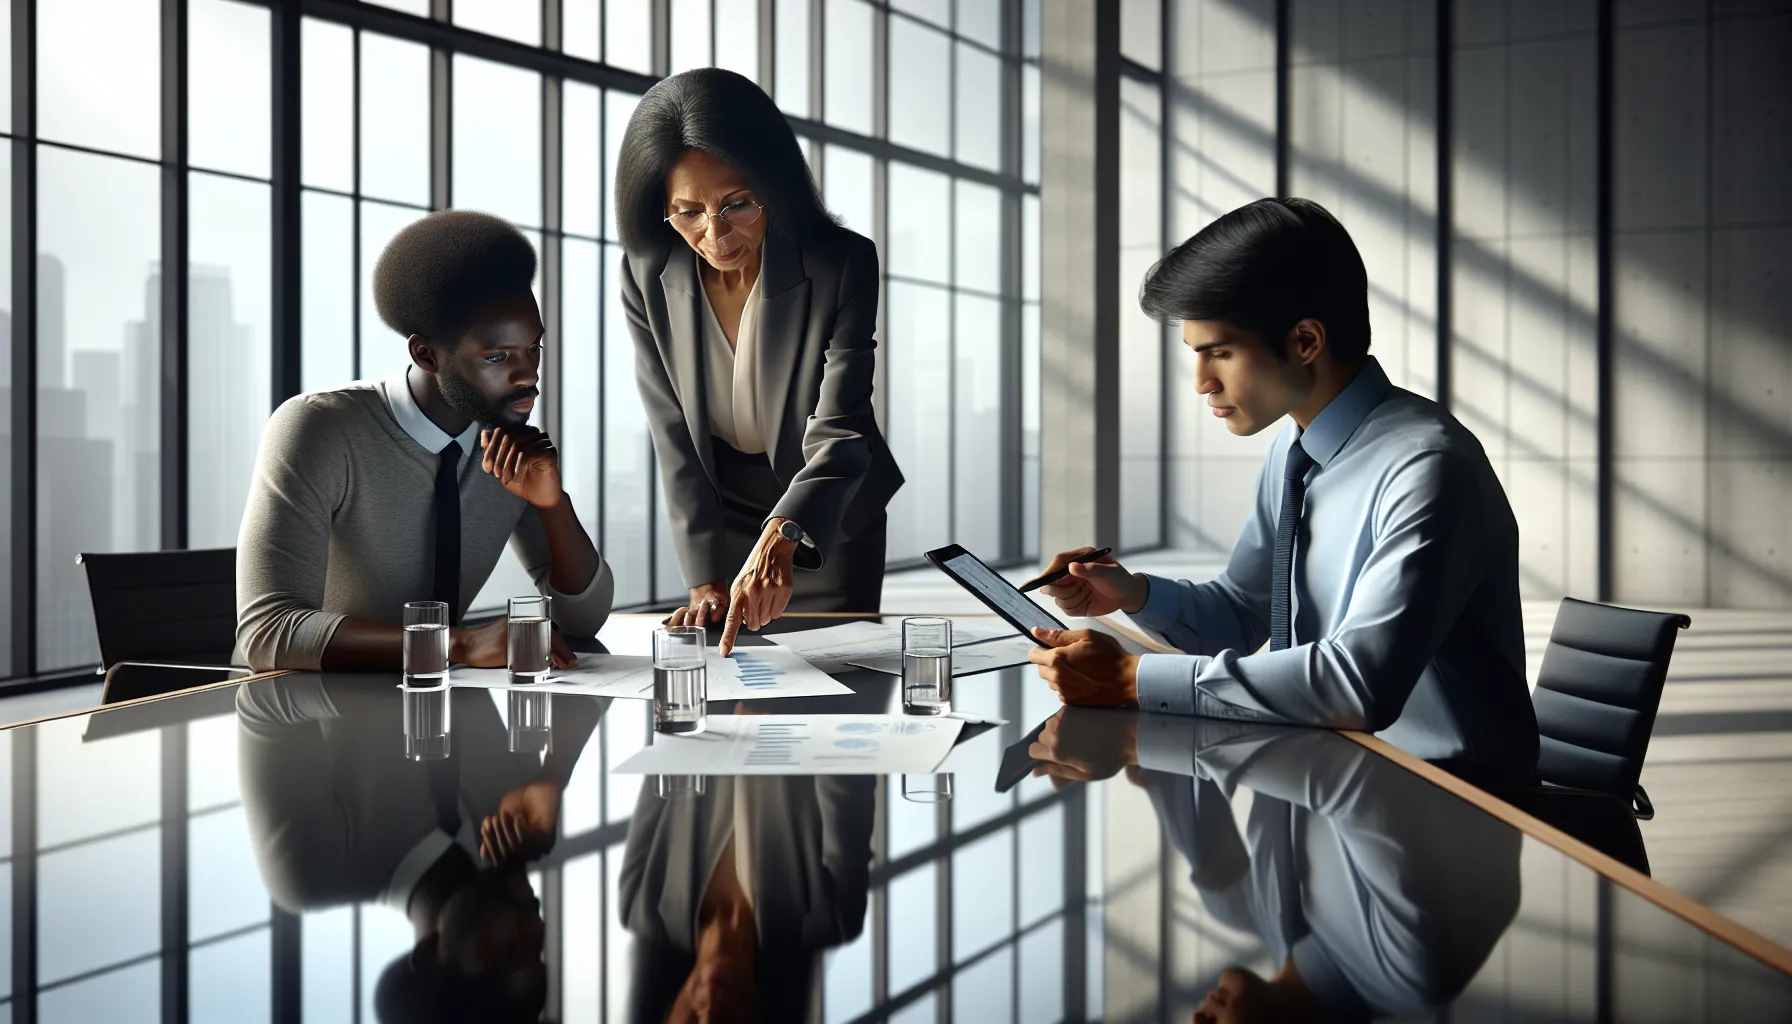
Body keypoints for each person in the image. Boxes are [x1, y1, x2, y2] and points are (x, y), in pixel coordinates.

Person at [1027, 197, 1538, 783]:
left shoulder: (1426, 467)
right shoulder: (1295, 451)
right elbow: (1245, 614)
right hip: (1332, 772)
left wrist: (1129, 678)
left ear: (1306, 341)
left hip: (1449, 798)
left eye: (1220, 353)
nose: (1202, 383)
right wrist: (1133, 593)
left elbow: (1358, 684)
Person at [235, 210, 614, 672]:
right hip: (289, 701)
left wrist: (553, 506)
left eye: (533, 348)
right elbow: (268, 633)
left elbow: (584, 620)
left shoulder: (505, 445)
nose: (528, 375)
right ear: (426, 354)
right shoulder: (320, 428)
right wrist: (460, 644)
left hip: (435, 701)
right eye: (498, 357)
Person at [615, 68, 902, 655]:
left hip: (823, 506)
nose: (715, 234)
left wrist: (784, 533)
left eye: (737, 204)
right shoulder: (645, 273)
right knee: (738, 682)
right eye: (688, 212)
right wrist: (704, 574)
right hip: (724, 509)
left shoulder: (841, 263)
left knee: (840, 677)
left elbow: (842, 425)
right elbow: (673, 433)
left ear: (774, 185)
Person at [1028, 709, 1520, 1022]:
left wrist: (1134, 750)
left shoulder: (1269, 925)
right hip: (1424, 685)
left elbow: (1185, 800)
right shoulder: (1415, 971)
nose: (1195, 1021)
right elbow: (1357, 778)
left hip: (1336, 668)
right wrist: (1135, 740)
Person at [234, 673, 602, 1023]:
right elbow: (589, 660)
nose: (537, 927)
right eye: (539, 951)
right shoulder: (513, 816)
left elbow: (261, 696)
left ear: (429, 955)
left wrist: (429, 663)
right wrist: (554, 773)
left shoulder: (313, 872)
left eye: (511, 951)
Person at [617, 773, 876, 1023]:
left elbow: (663, 762)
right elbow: (847, 770)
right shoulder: (833, 914)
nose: (710, 1015)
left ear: (666, 1018)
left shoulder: (641, 901)